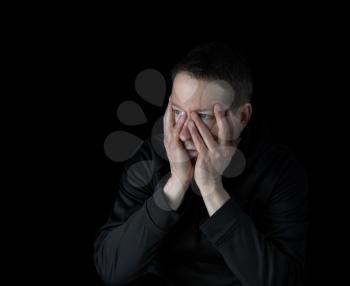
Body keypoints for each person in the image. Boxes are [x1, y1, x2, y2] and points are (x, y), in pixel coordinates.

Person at [94, 42, 309, 286]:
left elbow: (283, 281)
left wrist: (212, 189)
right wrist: (176, 184)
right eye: (177, 112)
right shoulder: (150, 158)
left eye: (204, 117)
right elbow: (111, 268)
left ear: (242, 117)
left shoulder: (279, 169)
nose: (183, 133)